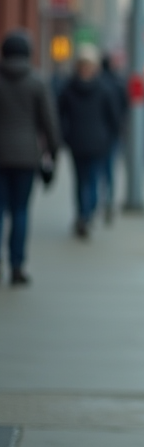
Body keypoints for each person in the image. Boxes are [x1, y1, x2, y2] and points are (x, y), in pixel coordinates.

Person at [0, 30, 60, 285]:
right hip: (26, 157)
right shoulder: (37, 82)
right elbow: (49, 123)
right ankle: (17, 266)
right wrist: (52, 155)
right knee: (20, 211)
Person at [56, 43, 121, 238]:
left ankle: (83, 214)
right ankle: (87, 214)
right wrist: (111, 138)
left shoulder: (68, 87)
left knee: (81, 180)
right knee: (91, 179)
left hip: (77, 141)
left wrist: (65, 136)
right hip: (97, 142)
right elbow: (114, 117)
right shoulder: (104, 88)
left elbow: (59, 114)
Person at [98, 55, 128, 224]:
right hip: (112, 134)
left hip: (98, 135)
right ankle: (108, 201)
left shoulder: (98, 83)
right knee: (109, 170)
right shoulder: (118, 83)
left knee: (97, 170)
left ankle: (95, 203)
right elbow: (124, 108)